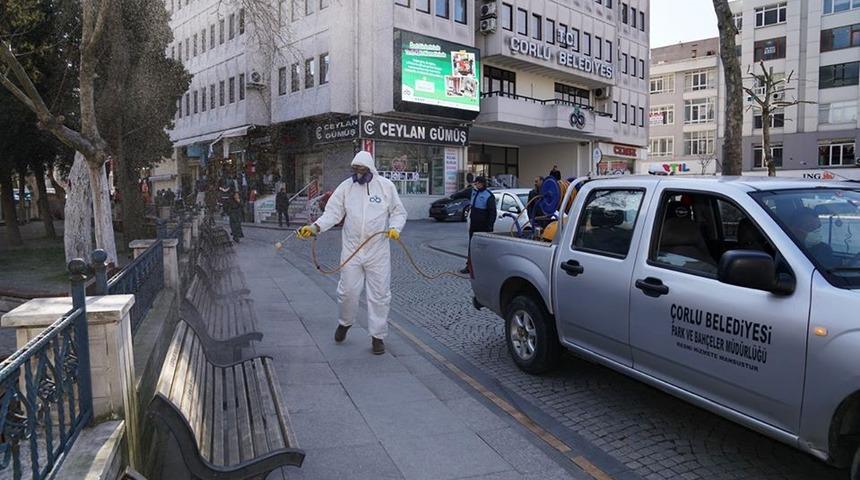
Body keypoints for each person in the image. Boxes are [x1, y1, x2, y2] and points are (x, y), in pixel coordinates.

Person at [297, 152, 407, 355]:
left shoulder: (385, 186)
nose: (357, 173)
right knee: (347, 291)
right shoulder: (346, 187)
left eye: (361, 170)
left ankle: (377, 336)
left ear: (370, 168)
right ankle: (345, 322)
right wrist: (316, 227)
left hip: (378, 250)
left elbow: (398, 212)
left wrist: (395, 228)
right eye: (355, 169)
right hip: (352, 249)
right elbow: (333, 213)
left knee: (380, 295)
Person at [460, 176, 496, 274]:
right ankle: (469, 266)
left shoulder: (488, 195)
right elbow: (461, 194)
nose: (475, 185)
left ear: (482, 184)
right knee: (472, 245)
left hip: (483, 225)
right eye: (475, 183)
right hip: (474, 224)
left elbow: (492, 212)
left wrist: (490, 226)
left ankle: (484, 267)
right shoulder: (473, 192)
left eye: (477, 183)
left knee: (484, 247)